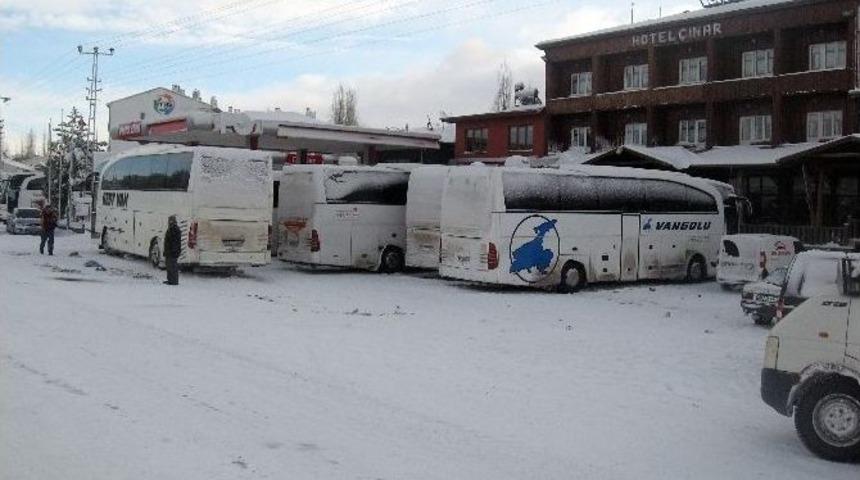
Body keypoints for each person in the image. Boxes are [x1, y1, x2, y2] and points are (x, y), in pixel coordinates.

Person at [163, 215, 182, 286]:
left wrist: (173, 251)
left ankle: (174, 281)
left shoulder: (174, 229)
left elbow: (174, 242)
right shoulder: (171, 228)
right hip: (170, 251)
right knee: (169, 266)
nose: (169, 222)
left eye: (170, 220)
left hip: (172, 252)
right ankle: (170, 280)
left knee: (172, 266)